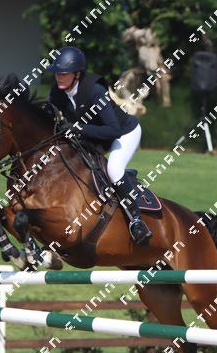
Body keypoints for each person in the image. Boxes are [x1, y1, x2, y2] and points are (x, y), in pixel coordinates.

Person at [48, 46, 152, 245]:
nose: (58, 77)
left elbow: (113, 130)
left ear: (77, 74)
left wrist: (77, 128)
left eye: (63, 73)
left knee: (114, 169)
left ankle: (136, 221)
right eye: (56, 73)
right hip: (95, 136)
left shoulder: (95, 91)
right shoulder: (58, 91)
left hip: (124, 133)